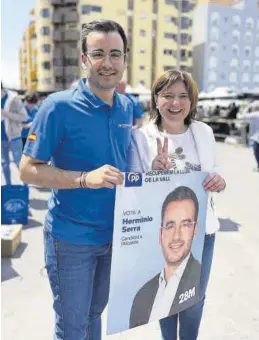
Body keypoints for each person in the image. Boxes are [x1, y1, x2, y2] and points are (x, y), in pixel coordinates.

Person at [20, 20, 133, 340]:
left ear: (125, 59)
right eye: (98, 54)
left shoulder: (127, 107)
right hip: (71, 239)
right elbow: (27, 170)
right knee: (72, 326)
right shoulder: (57, 107)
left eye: (115, 54)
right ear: (84, 59)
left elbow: (129, 161)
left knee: (94, 314)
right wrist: (84, 179)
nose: (108, 63)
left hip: (115, 237)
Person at [127, 69, 226, 340]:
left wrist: (220, 181)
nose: (175, 103)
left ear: (191, 101)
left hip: (202, 231)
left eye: (183, 96)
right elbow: (132, 186)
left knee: (194, 299)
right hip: (164, 231)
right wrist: (152, 171)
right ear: (155, 99)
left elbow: (215, 169)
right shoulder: (141, 137)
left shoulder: (203, 132)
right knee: (168, 299)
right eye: (167, 95)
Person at [130, 186, 201, 328]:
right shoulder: (141, 296)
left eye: (185, 225)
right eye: (170, 226)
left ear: (195, 230)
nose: (176, 236)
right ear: (160, 235)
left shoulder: (198, 279)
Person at [1, 82, 27, 185]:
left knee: (18, 163)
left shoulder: (13, 99)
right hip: (1, 139)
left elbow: (23, 117)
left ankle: (25, 187)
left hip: (14, 137)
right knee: (4, 165)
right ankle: (8, 188)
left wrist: (6, 113)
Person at [245, 104, 259, 172]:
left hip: (256, 137)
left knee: (256, 152)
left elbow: (244, 115)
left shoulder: (255, 114)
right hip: (256, 136)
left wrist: (248, 107)